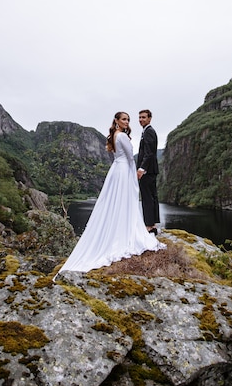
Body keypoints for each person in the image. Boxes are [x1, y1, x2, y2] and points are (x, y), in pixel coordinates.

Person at [55, 112, 165, 276]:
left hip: (116, 169)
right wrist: (135, 173)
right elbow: (129, 157)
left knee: (114, 202)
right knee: (124, 201)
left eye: (128, 119)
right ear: (117, 121)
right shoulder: (122, 136)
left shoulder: (114, 135)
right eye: (124, 119)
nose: (127, 122)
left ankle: (118, 230)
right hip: (124, 171)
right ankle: (125, 232)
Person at [137, 109, 160, 234]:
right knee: (152, 197)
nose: (141, 120)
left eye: (144, 117)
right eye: (140, 117)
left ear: (150, 118)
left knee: (147, 197)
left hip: (147, 170)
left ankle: (149, 226)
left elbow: (149, 153)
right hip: (151, 170)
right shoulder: (147, 131)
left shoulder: (149, 132)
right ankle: (153, 224)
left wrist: (142, 168)